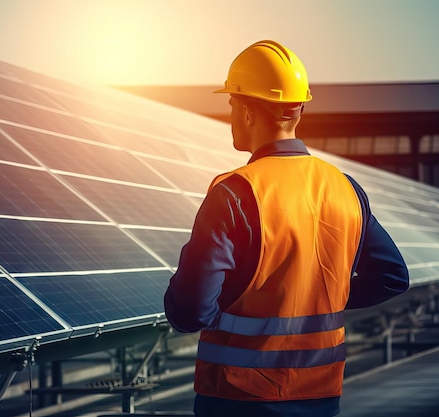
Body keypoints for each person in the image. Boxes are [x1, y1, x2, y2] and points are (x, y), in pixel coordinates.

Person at [163, 40, 409, 417]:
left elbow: (191, 311)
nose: (229, 114)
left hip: (237, 398)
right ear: (298, 109)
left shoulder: (235, 193)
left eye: (231, 104)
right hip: (321, 396)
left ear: (246, 111)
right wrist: (323, 300)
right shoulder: (345, 187)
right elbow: (391, 277)